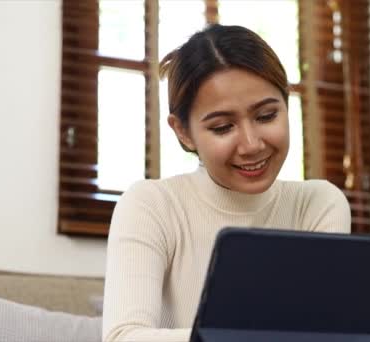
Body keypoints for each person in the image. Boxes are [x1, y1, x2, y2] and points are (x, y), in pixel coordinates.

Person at [102, 24, 351, 342]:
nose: (251, 145)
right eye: (222, 127)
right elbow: (122, 337)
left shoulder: (319, 205)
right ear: (183, 132)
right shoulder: (151, 204)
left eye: (266, 116)